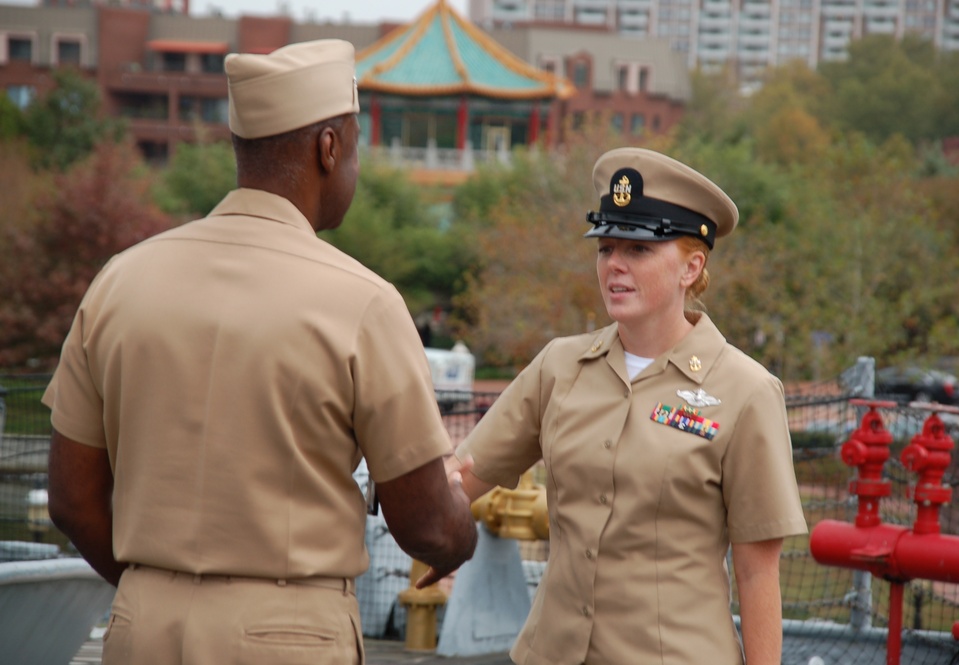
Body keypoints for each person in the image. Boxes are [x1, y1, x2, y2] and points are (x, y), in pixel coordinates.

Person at [43, 39, 477, 664]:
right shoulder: (363, 302)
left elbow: (72, 498)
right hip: (289, 633)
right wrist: (458, 538)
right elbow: (429, 523)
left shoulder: (119, 280)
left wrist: (165, 588)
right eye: (354, 146)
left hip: (142, 625)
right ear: (329, 149)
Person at [449, 147, 808, 664]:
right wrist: (434, 532)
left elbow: (757, 571)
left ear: (692, 267)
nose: (614, 264)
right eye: (606, 247)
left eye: (638, 250)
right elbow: (460, 477)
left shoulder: (747, 392)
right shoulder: (559, 367)